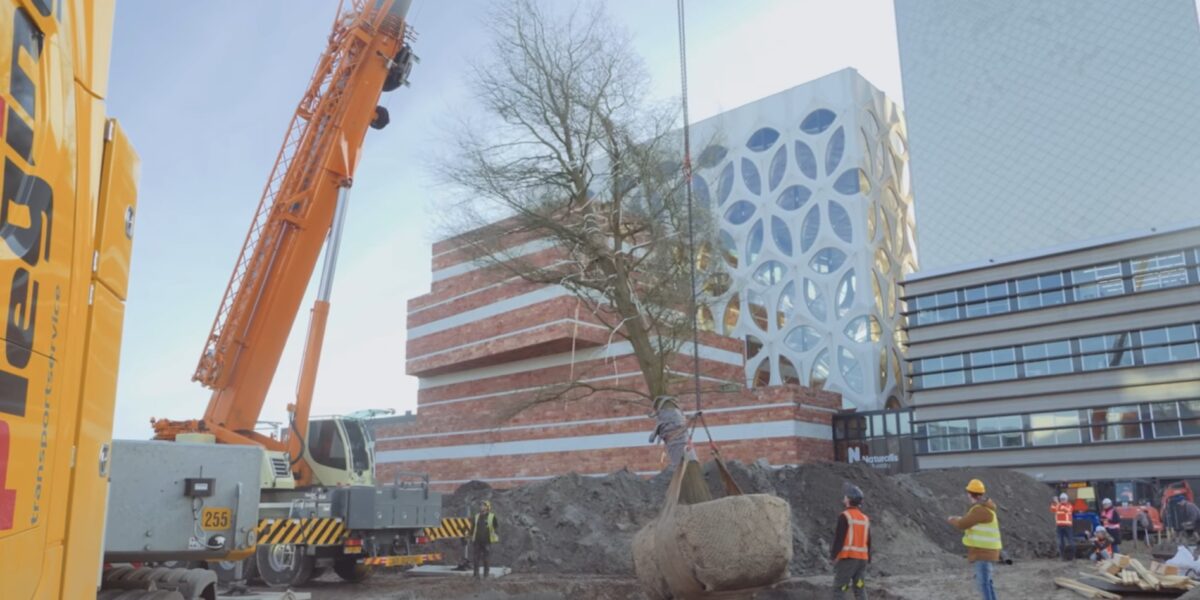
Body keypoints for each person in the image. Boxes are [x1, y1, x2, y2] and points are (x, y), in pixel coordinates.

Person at [948, 478, 1002, 600]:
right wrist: (960, 518)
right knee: (987, 583)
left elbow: (962, 524)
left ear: (970, 493)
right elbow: (970, 521)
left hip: (983, 552)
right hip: (986, 551)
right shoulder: (984, 509)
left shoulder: (980, 510)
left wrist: (953, 520)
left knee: (983, 584)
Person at [831, 483, 870, 600]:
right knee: (859, 588)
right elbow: (869, 540)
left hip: (848, 559)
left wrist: (834, 556)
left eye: (845, 496)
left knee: (841, 588)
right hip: (862, 560)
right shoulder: (865, 518)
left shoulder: (845, 516)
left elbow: (839, 538)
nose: (844, 497)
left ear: (848, 499)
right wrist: (869, 558)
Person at [648, 396, 692, 471]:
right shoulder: (679, 417)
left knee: (679, 466)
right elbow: (651, 439)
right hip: (683, 447)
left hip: (678, 449)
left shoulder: (661, 421)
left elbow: (651, 439)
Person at [468, 500, 500, 578]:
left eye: (483, 505)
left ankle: (486, 574)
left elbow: (496, 527)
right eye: (481, 505)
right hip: (477, 540)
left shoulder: (492, 516)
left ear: (487, 507)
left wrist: (494, 535)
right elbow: (473, 528)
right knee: (476, 558)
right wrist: (470, 536)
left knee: (486, 558)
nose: (481, 507)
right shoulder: (476, 516)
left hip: (487, 540)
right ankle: (476, 574)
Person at [1052, 493, 1074, 561]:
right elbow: (1052, 509)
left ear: (1067, 499)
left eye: (1064, 499)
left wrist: (1058, 503)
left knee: (1070, 542)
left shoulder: (1069, 506)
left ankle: (1071, 557)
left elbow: (1066, 510)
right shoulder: (1057, 505)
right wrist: (1055, 502)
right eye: (1061, 499)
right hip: (1059, 526)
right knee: (1061, 543)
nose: (1063, 500)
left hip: (1067, 526)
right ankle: (1062, 556)